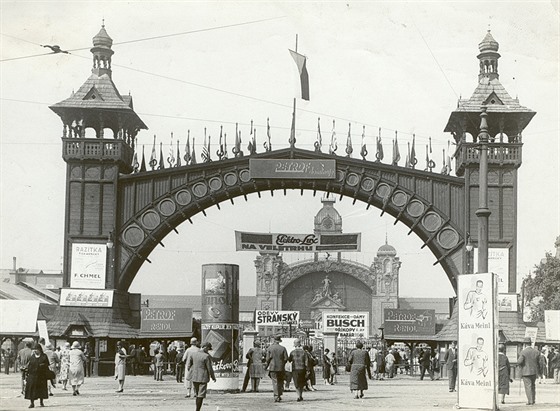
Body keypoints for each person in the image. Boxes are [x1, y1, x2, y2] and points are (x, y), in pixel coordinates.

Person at [187, 341, 216, 411]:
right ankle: (198, 409)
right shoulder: (206, 356)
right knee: (201, 395)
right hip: (203, 377)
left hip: (194, 377)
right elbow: (209, 368)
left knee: (197, 394)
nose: (208, 350)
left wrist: (192, 371)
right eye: (208, 349)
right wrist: (213, 377)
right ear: (205, 347)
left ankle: (197, 409)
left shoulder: (193, 354)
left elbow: (188, 365)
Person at [25, 343, 49, 409]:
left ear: (40, 349)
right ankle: (32, 403)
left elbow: (47, 365)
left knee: (41, 389)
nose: (35, 351)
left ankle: (41, 401)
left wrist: (42, 366)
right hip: (32, 376)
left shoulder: (44, 356)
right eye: (34, 349)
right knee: (31, 389)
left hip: (41, 376)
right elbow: (29, 366)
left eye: (36, 349)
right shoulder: (32, 357)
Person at [265, 335, 288, 403]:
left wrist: (266, 366)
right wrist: (282, 364)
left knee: (275, 382)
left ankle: (276, 396)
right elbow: (286, 358)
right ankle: (279, 394)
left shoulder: (270, 348)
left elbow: (267, 359)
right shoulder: (283, 348)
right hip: (281, 368)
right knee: (280, 381)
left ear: (274, 340)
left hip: (273, 367)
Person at [517, 339, 541, 405]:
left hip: (526, 372)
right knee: (533, 385)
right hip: (534, 371)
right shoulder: (536, 351)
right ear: (530, 343)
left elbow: (519, 361)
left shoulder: (523, 352)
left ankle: (530, 401)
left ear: (525, 344)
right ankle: (533, 399)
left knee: (528, 386)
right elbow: (539, 362)